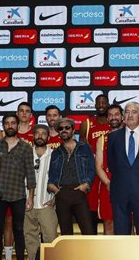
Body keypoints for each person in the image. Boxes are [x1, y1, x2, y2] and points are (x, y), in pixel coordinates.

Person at [0, 114, 35, 260]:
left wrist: (31, 196)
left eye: (13, 123)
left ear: (17, 126)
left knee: (19, 229)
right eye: (7, 123)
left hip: (18, 194)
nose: (10, 126)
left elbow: (30, 173)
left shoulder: (25, 147)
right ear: (3, 126)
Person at [107, 102, 139, 235]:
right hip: (120, 194)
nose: (130, 115)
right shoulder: (113, 137)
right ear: (123, 116)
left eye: (134, 112)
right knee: (121, 235)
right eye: (127, 112)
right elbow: (111, 164)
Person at [47, 117, 96, 235]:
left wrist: (86, 184)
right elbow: (52, 175)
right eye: (61, 128)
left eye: (67, 128)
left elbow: (91, 169)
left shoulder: (84, 147)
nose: (64, 130)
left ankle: (90, 254)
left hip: (79, 192)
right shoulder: (56, 152)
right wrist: (55, 189)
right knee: (66, 234)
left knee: (88, 231)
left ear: (73, 130)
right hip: (62, 194)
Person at [24, 124, 58, 260]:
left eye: (43, 134)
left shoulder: (55, 155)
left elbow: (62, 178)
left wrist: (56, 198)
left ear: (48, 137)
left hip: (47, 204)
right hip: (27, 205)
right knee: (30, 239)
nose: (40, 136)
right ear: (33, 136)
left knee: (51, 238)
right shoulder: (25, 154)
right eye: (37, 133)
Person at [80, 94, 111, 228]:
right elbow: (81, 151)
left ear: (108, 104)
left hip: (109, 173)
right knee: (91, 208)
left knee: (109, 213)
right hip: (93, 173)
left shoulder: (114, 123)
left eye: (104, 103)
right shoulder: (86, 124)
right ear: (95, 105)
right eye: (99, 103)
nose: (101, 105)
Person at [95, 104, 124, 235]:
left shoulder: (132, 136)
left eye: (117, 114)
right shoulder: (101, 139)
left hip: (127, 186)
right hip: (108, 186)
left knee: (128, 221)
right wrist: (107, 183)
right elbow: (98, 166)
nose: (114, 118)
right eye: (110, 115)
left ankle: (129, 255)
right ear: (107, 119)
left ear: (122, 117)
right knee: (108, 222)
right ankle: (110, 255)